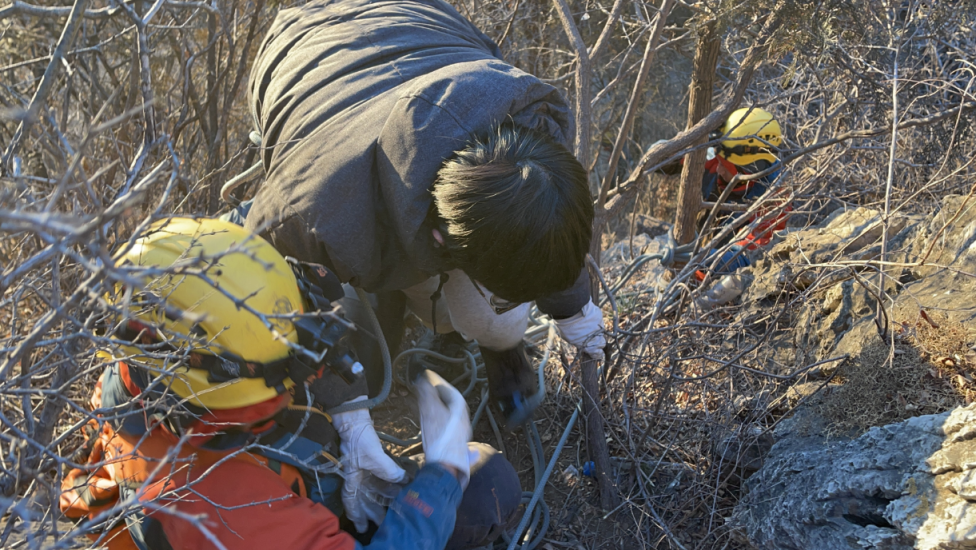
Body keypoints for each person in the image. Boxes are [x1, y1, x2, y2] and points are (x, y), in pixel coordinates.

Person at [238, 0, 606, 429]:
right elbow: (285, 314)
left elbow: (545, 222)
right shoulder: (305, 218)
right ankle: (388, 311)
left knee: (487, 316)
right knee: (368, 350)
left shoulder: (534, 124)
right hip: (299, 47)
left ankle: (498, 353)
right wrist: (349, 417)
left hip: (411, 14)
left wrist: (573, 309)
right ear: (441, 240)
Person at [60, 218, 520, 550]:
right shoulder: (225, 508)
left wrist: (351, 421)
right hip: (261, 518)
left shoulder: (145, 359)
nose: (306, 376)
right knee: (488, 485)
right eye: (286, 376)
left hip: (268, 485)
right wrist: (442, 476)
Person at [660, 107, 790, 275]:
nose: (718, 169)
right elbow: (656, 160)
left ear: (749, 168)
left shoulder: (774, 197)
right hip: (694, 263)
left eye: (725, 166)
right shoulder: (716, 160)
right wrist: (687, 141)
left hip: (722, 279)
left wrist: (695, 258)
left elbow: (747, 257)